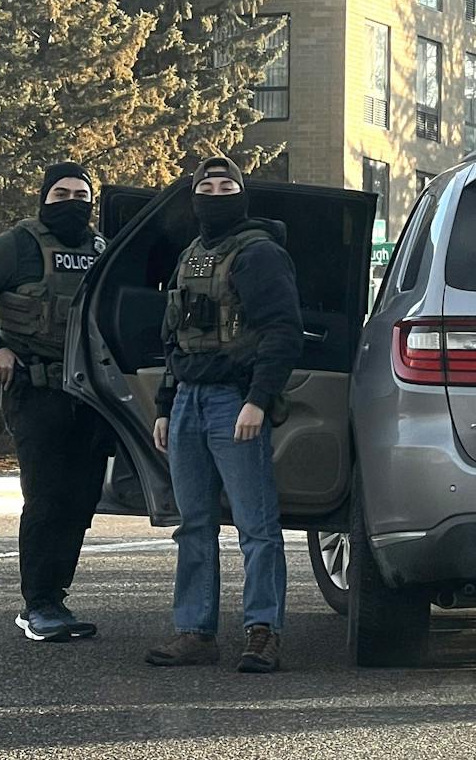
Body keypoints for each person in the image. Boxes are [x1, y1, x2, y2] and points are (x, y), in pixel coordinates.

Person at [144, 155, 303, 674]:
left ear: (242, 194)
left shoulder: (259, 253)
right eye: (207, 186)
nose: (216, 193)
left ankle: (263, 633)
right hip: (188, 399)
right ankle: (195, 632)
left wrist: (257, 399)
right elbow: (174, 337)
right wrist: (166, 406)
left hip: (233, 400)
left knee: (256, 526)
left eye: (226, 185)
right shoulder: (191, 255)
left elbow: (281, 331)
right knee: (193, 526)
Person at [0, 162, 112, 642]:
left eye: (80, 194)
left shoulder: (102, 250)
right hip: (36, 388)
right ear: (44, 199)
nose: (71, 202)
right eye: (60, 193)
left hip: (89, 394)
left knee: (81, 499)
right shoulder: (19, 244)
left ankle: (55, 599)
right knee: (46, 497)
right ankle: (37, 605)